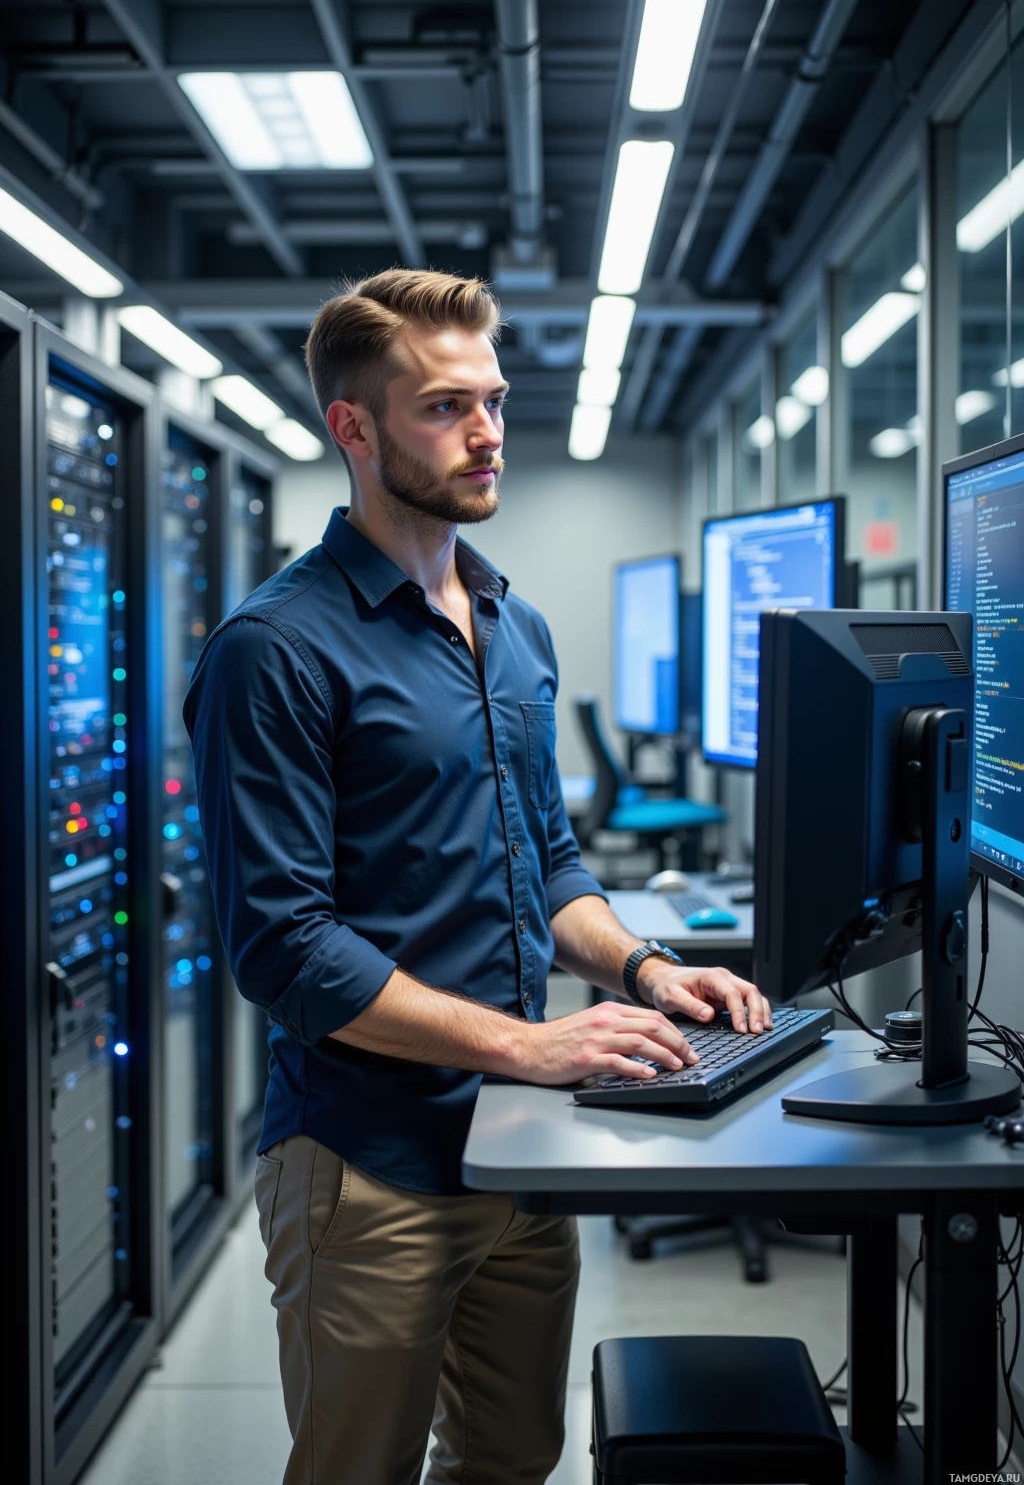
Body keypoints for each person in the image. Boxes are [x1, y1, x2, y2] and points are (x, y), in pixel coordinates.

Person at [184, 268, 770, 1485]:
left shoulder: (514, 625)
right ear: (354, 427)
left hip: (516, 1144)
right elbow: (282, 948)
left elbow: (546, 865)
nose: (490, 431)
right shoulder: (276, 651)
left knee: (511, 1458)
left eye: (494, 400)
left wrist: (652, 968)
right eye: (446, 406)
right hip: (368, 1162)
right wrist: (524, 1047)